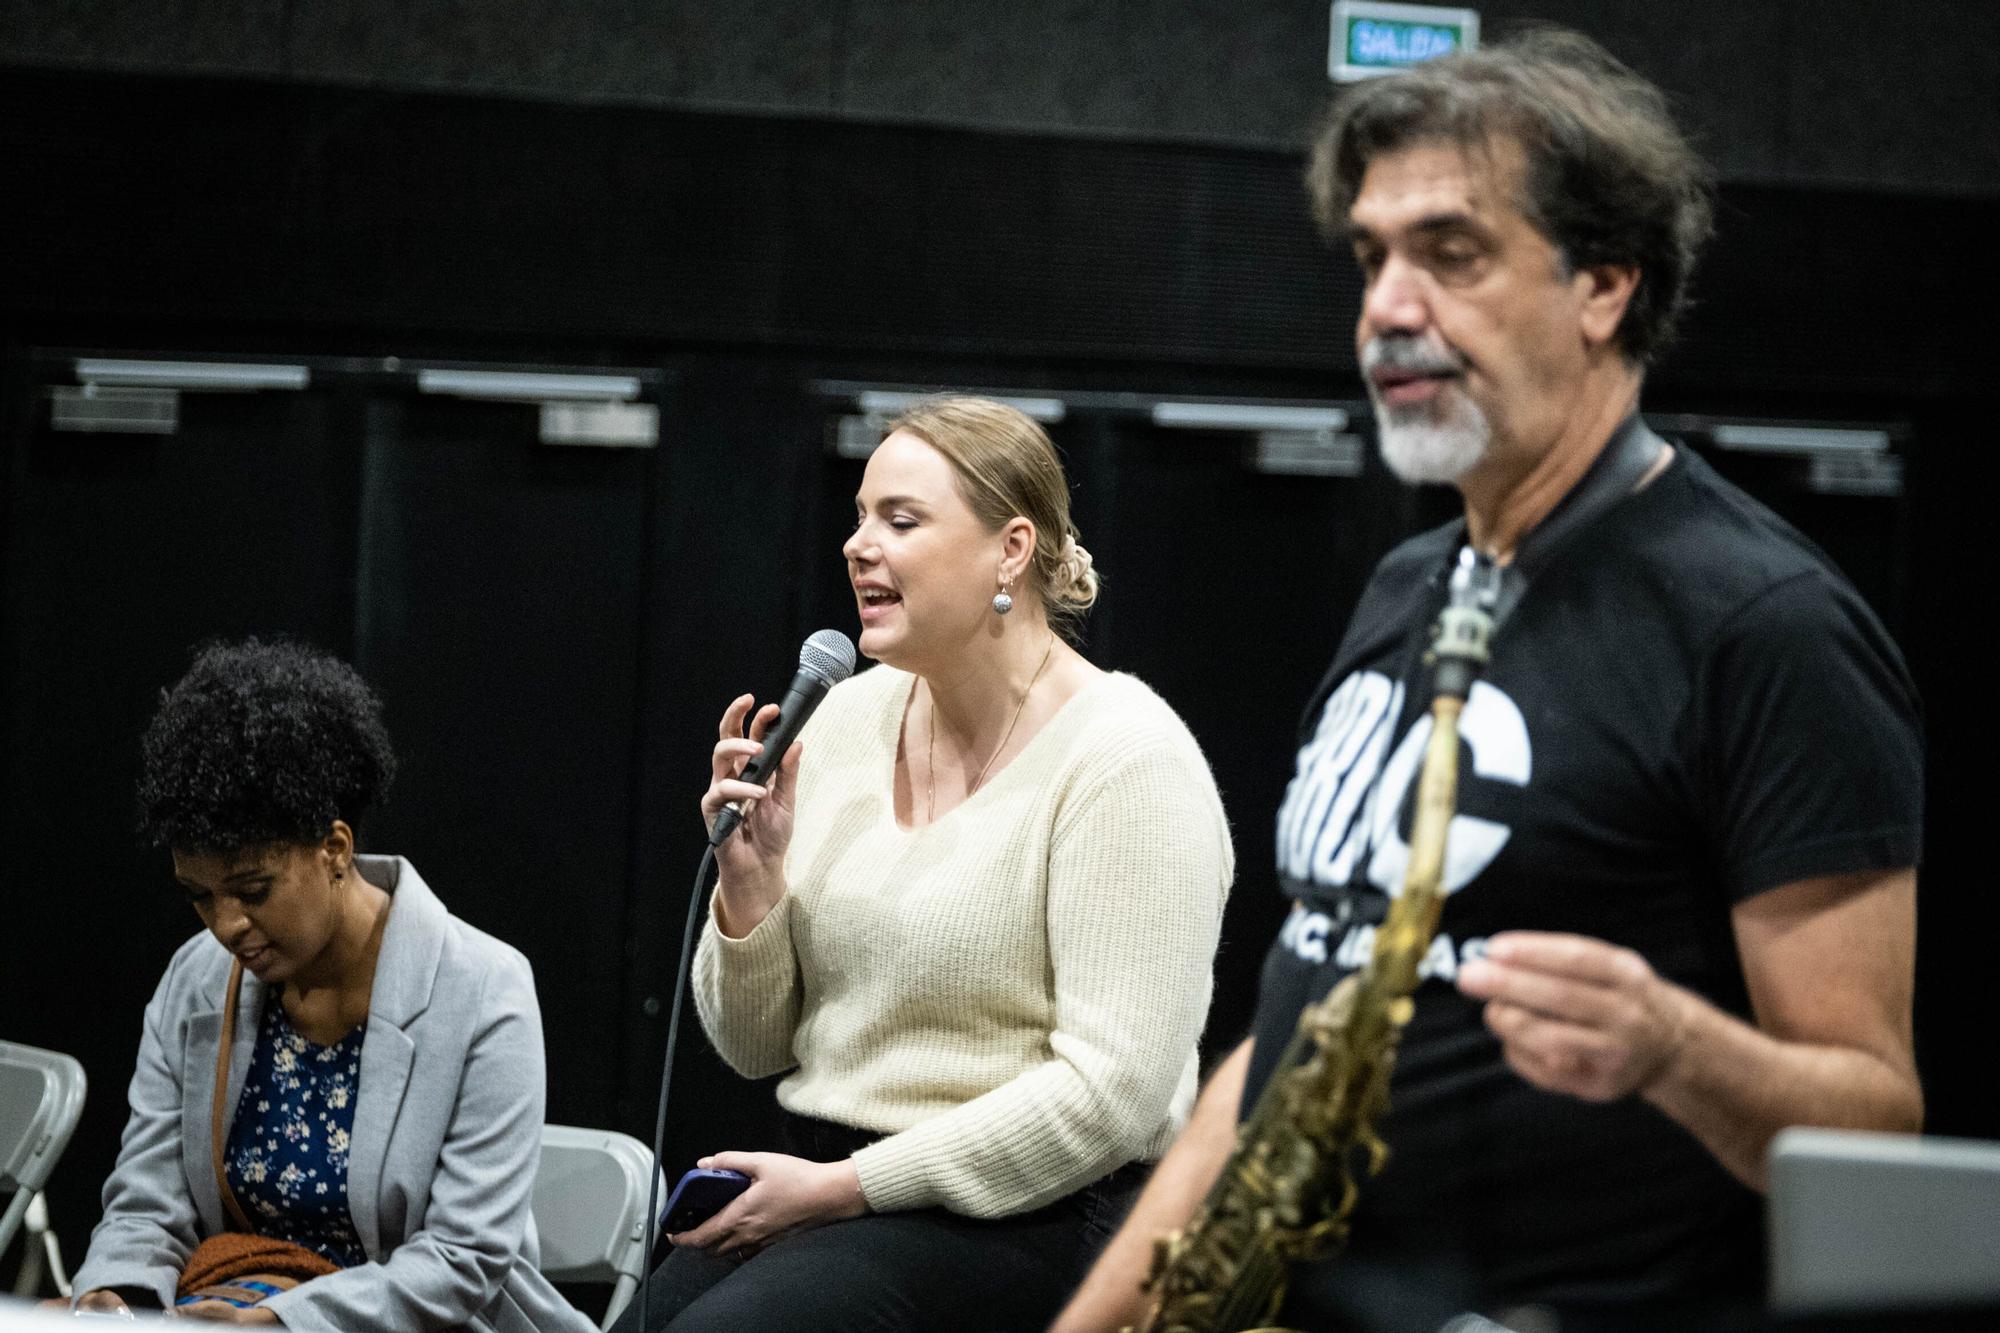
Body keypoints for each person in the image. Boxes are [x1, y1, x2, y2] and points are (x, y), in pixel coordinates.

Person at [1056, 29, 1923, 1333]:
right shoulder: (1410, 584)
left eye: (1453, 254)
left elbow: (1877, 1123)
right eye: (1372, 257)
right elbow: (1303, 1014)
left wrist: (1681, 1049)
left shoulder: (1765, 624)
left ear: (1604, 285)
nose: (1389, 307)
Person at [613, 396, 1234, 1331]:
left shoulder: (1127, 758)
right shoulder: (850, 715)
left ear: (1011, 550)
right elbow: (752, 1046)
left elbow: (1113, 1096)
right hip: (827, 1184)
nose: (860, 545)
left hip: (1038, 1215)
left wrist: (847, 1189)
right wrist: (753, 887)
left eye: (900, 520)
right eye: (859, 516)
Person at [67, 639, 593, 1332]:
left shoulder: (484, 991)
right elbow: (146, 1205)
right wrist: (114, 1296)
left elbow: (462, 1260)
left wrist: (282, 1321)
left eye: (253, 889)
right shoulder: (196, 979)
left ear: (335, 848)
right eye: (199, 895)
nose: (226, 923)